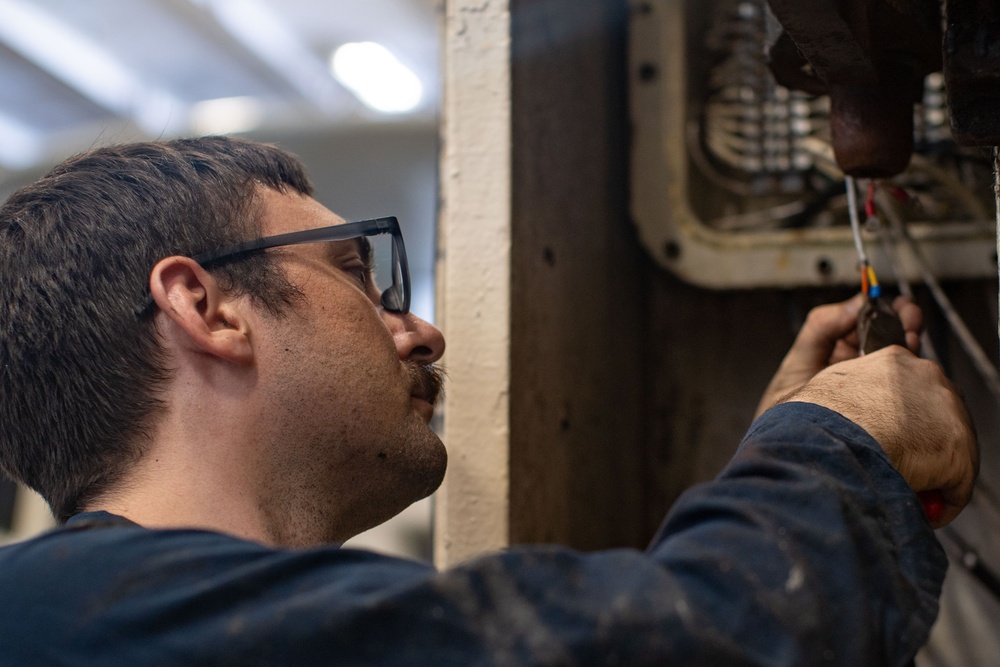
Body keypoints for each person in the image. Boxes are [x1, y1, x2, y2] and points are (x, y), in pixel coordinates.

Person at [0, 136, 978, 665]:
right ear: (204, 305)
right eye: (355, 272)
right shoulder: (67, 620)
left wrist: (788, 451)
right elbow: (704, 640)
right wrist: (837, 447)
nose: (420, 332)